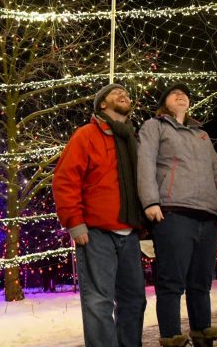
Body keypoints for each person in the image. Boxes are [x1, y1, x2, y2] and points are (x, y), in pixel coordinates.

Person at [138, 83, 217, 347]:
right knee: (172, 280)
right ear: (164, 103)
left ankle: (202, 334)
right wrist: (150, 201)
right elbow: (145, 162)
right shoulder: (155, 126)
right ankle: (172, 337)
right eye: (174, 93)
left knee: (201, 281)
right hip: (173, 210)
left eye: (185, 94)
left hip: (207, 213)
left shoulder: (202, 135)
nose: (181, 95)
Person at [52, 83, 146, 347]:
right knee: (98, 301)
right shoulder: (86, 135)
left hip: (129, 232)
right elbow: (65, 179)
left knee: (134, 299)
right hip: (95, 233)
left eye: (126, 93)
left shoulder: (133, 140)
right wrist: (74, 222)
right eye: (116, 93)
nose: (124, 94)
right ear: (102, 104)